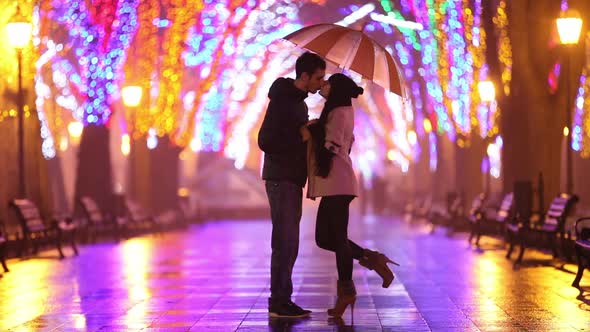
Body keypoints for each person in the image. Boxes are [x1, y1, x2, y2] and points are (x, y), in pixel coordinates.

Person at [305, 73, 399, 319]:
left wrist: (313, 132)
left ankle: (346, 290)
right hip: (334, 184)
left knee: (335, 238)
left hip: (338, 182)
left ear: (335, 89)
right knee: (325, 238)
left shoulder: (340, 112)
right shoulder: (337, 110)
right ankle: (373, 259)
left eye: (327, 83)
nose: (323, 86)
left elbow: (332, 146)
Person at [257, 51, 326, 318]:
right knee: (284, 242)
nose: (321, 83)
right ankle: (278, 302)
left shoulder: (298, 103)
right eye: (318, 77)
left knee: (290, 242)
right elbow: (266, 141)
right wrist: (301, 135)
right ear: (305, 76)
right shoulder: (283, 101)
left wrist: (306, 131)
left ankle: (283, 298)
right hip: (280, 178)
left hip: (290, 178)